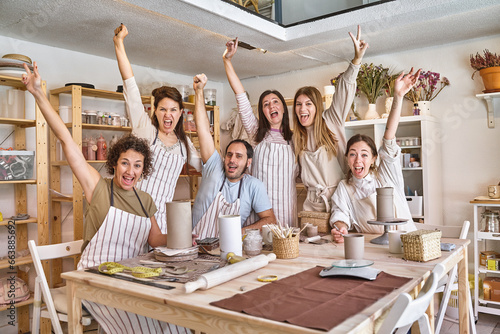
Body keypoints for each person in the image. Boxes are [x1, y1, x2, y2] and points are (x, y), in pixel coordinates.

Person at [22, 63, 192, 334]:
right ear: (114, 164)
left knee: (170, 318)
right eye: (125, 163)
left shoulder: (145, 200)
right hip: (94, 279)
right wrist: (38, 92)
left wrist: (186, 238)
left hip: (127, 280)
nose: (130, 171)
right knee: (141, 321)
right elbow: (66, 140)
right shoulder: (98, 188)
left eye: (137, 166)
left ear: (144, 170)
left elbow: (156, 240)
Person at [114, 24, 202, 233]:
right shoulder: (146, 131)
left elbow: (206, 167)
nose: (167, 115)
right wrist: (119, 43)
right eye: (162, 109)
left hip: (161, 223)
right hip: (132, 216)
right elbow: (131, 87)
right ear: (155, 110)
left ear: (181, 112)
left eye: (173, 110)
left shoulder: (184, 145)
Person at [330, 68, 421, 243]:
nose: (358, 160)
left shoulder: (386, 175)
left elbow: (389, 136)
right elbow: (340, 213)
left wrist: (399, 96)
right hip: (373, 249)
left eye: (364, 155)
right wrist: (341, 227)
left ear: (373, 159)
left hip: (409, 244)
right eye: (353, 154)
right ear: (347, 159)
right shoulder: (345, 187)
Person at [222, 38, 298, 227]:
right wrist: (227, 61)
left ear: (283, 108)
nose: (271, 105)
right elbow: (240, 96)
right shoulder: (257, 134)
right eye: (265, 104)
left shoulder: (297, 139)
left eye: (275, 101)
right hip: (259, 214)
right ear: (263, 112)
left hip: (288, 212)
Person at [292, 25, 368, 213]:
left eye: (308, 104)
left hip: (339, 202)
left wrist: (356, 61)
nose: (303, 109)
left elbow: (344, 88)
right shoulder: (297, 137)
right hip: (312, 205)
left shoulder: (331, 121)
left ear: (317, 107)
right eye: (299, 104)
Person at [191, 74, 276, 239]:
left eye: (239, 156)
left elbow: (270, 220)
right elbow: (202, 128)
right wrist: (199, 91)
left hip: (228, 248)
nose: (232, 160)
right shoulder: (214, 167)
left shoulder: (253, 186)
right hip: (195, 245)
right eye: (229, 154)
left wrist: (239, 232)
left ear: (248, 162)